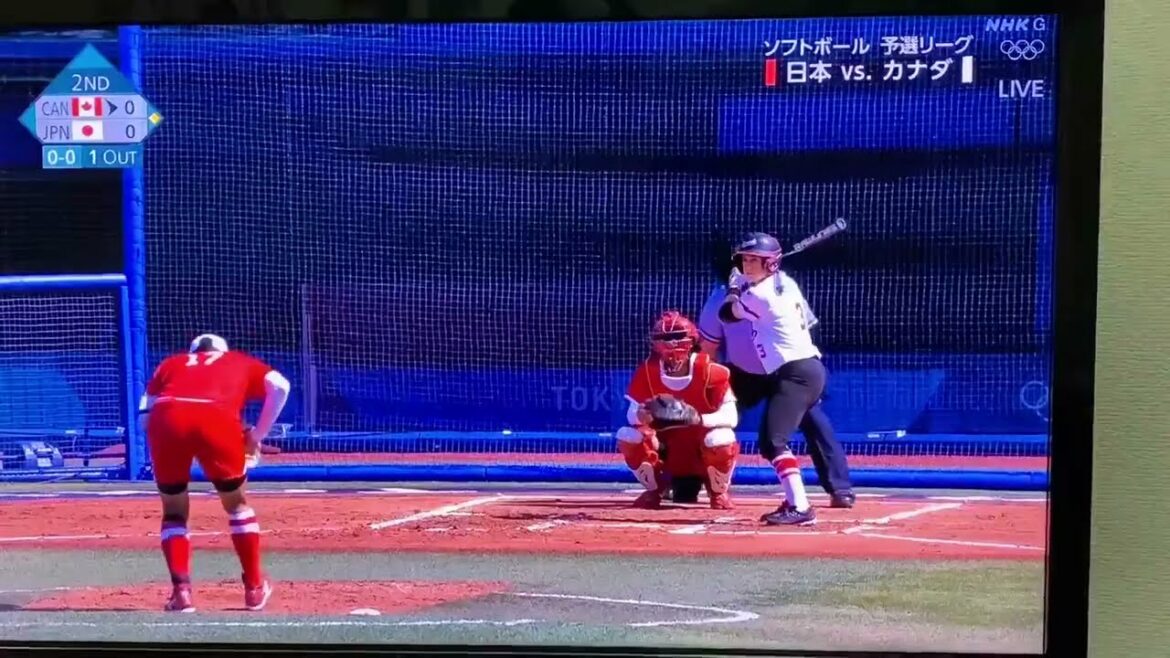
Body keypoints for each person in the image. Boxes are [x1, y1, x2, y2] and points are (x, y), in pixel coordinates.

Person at [697, 232, 854, 526]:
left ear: (770, 264)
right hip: (796, 370)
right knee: (774, 439)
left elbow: (728, 313)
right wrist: (742, 282)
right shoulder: (786, 284)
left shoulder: (760, 296)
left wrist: (733, 286)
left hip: (797, 373)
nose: (746, 265)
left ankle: (802, 507)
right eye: (744, 259)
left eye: (754, 260)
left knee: (772, 441)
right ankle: (800, 501)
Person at [140, 333, 291, 612]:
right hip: (217, 418)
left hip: (167, 418)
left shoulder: (171, 363)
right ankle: (254, 589)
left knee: (173, 509)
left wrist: (163, 444)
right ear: (223, 350)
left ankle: (182, 594)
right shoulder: (239, 361)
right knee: (236, 504)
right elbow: (281, 386)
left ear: (193, 351)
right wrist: (257, 435)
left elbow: (145, 414)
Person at [617, 310, 741, 510]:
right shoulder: (647, 372)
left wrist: (696, 418)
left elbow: (731, 417)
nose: (670, 344)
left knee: (721, 438)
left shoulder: (712, 372)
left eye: (676, 337)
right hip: (668, 451)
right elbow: (632, 415)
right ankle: (654, 489)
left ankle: (718, 492)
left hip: (702, 450)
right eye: (663, 338)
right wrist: (644, 415)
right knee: (627, 435)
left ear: (691, 340)